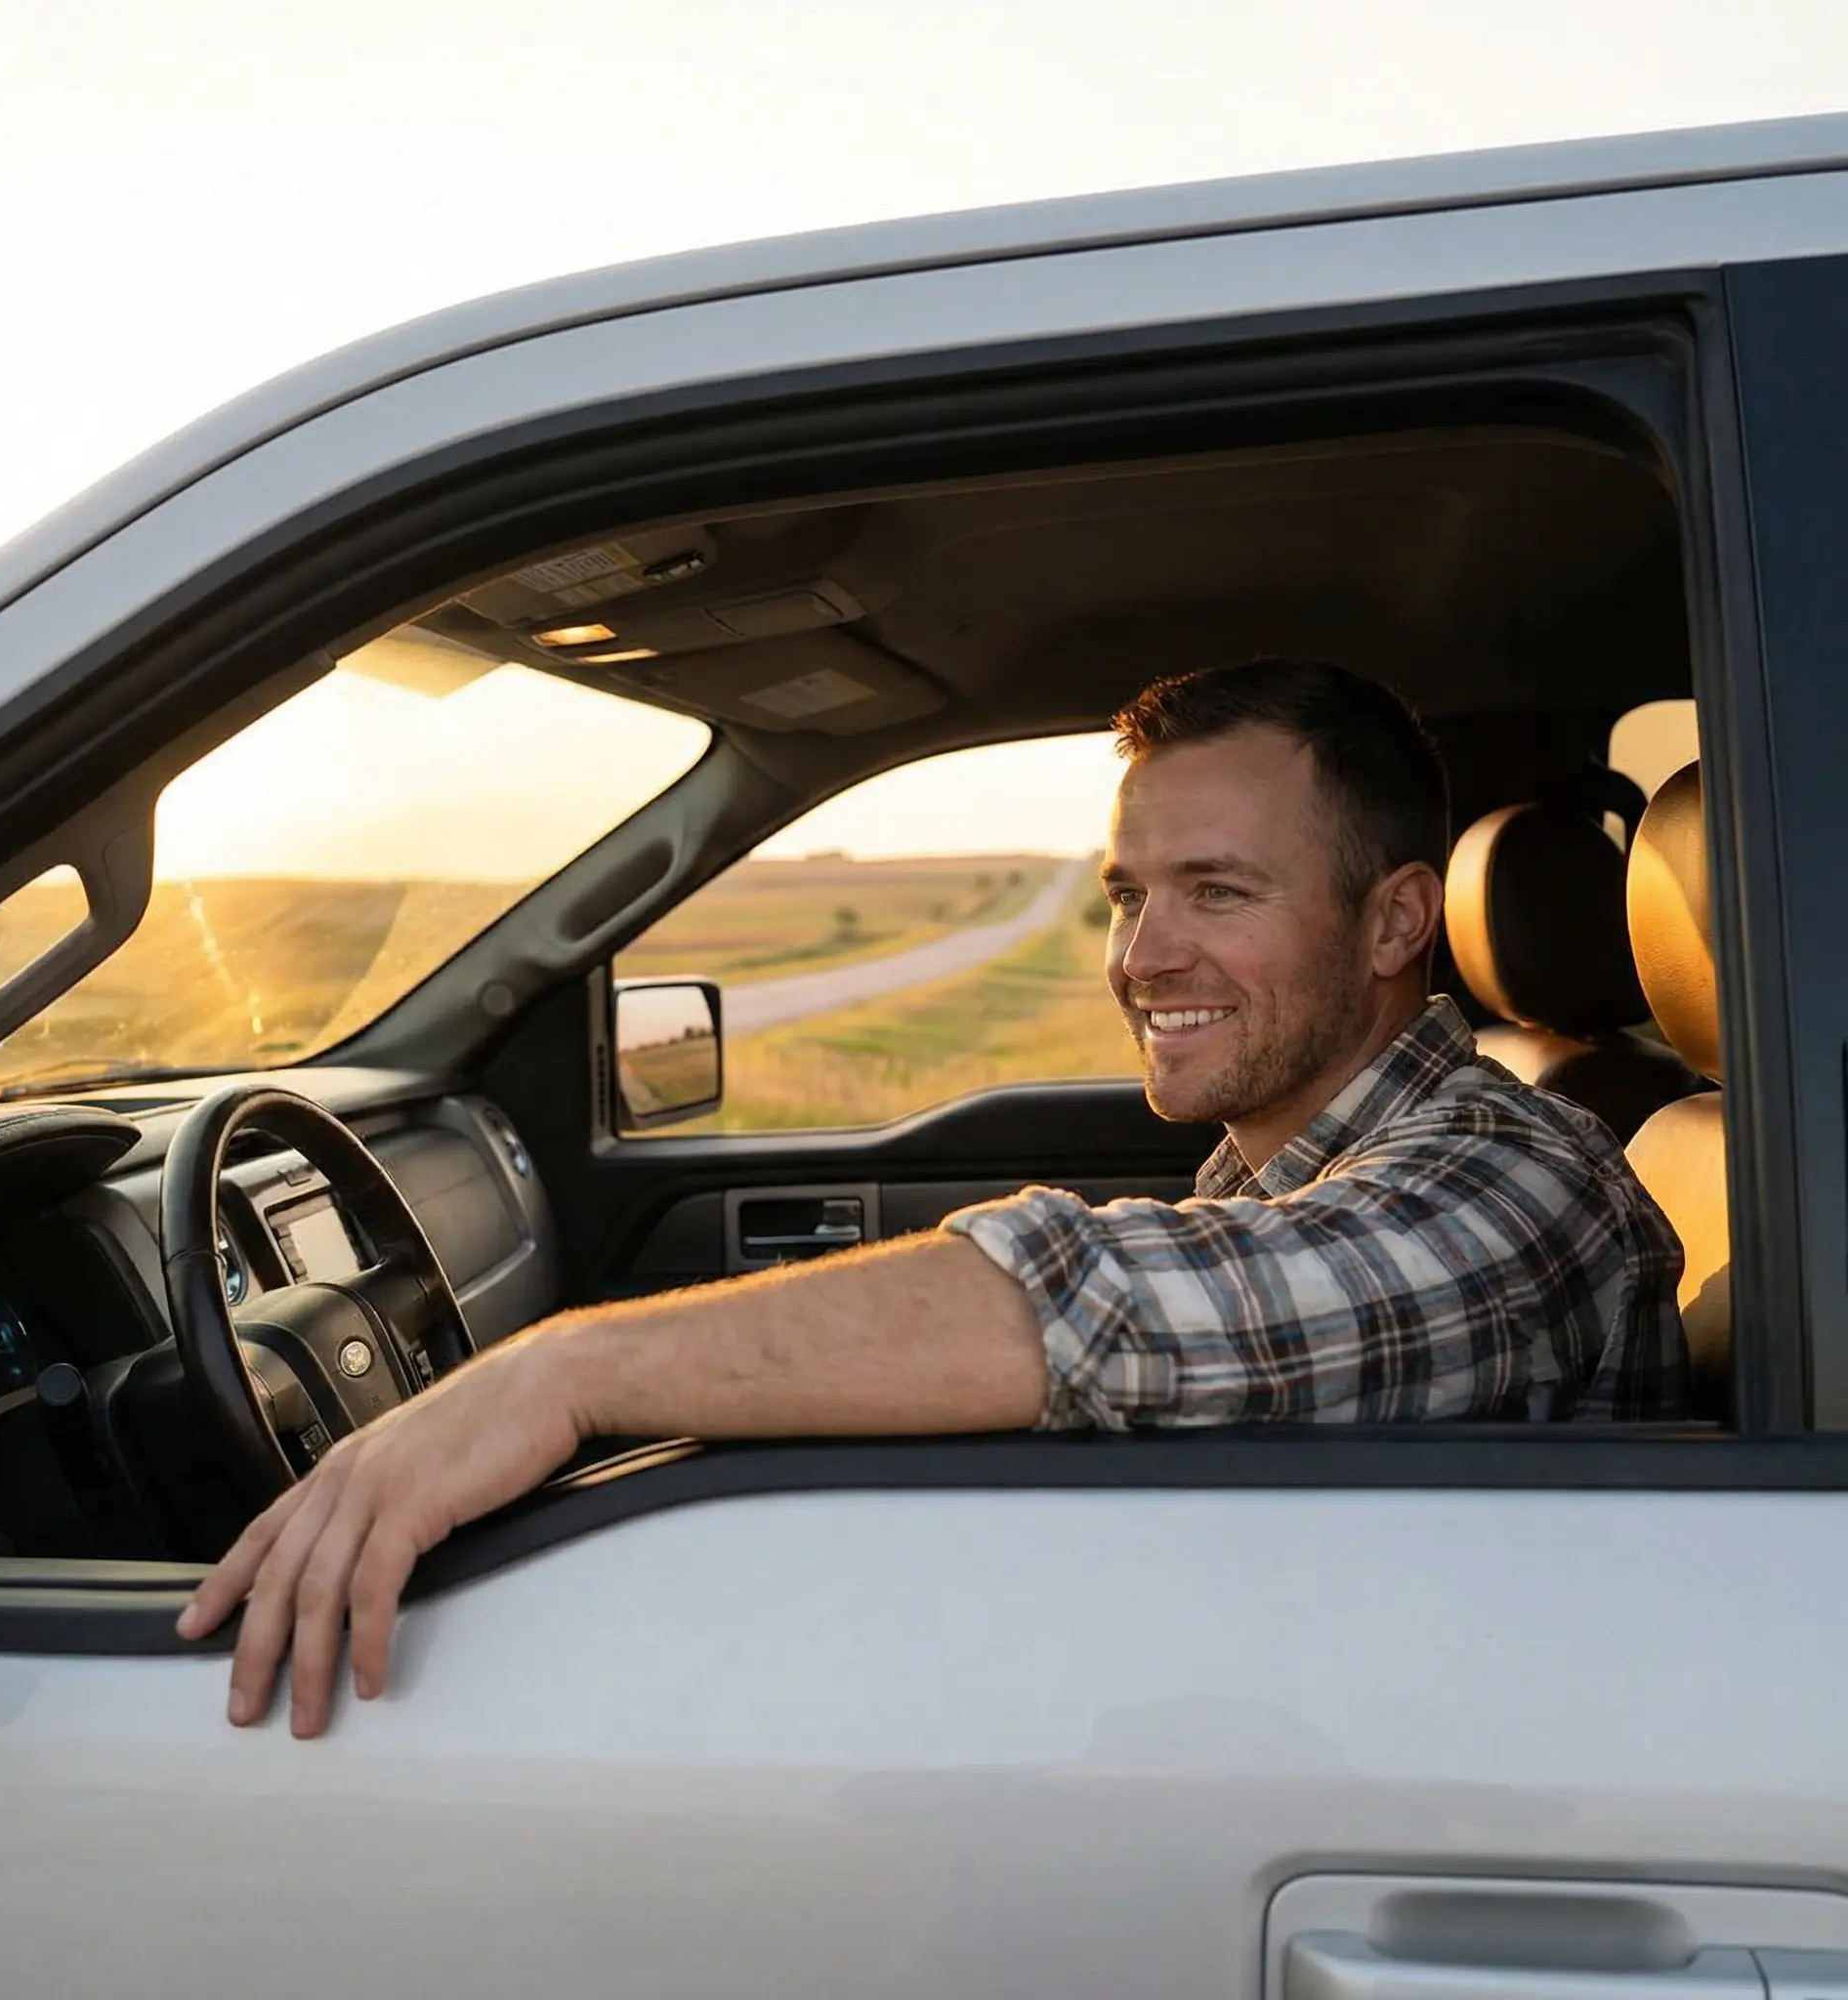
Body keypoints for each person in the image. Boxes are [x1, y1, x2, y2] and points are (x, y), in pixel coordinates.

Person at [180, 658, 1687, 1735]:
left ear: (1398, 922)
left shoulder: (1514, 1185)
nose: (1141, 958)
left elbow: (1117, 1309)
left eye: (1218, 892)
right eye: (1129, 895)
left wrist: (559, 1375)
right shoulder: (1303, 1155)